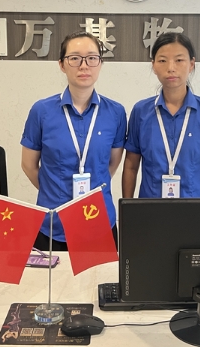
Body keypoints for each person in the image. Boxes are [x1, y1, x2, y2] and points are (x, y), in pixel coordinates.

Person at [21, 32, 127, 251]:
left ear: (100, 63)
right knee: (54, 275)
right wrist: (54, 190)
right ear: (62, 64)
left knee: (100, 276)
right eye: (75, 58)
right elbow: (28, 165)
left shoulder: (116, 112)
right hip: (54, 224)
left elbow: (112, 164)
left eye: (92, 58)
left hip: (100, 223)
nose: (84, 65)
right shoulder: (41, 111)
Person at [122, 32, 200, 199]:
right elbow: (131, 166)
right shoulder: (141, 112)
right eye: (162, 60)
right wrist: (127, 208)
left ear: (191, 64)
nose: (171, 68)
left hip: (197, 210)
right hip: (150, 210)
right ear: (153, 65)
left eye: (179, 60)